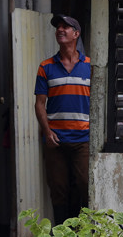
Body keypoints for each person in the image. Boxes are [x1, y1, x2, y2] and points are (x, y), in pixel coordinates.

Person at [34, 14, 90, 224]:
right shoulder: (46, 66)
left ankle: (83, 235)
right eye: (58, 26)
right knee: (58, 188)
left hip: (83, 139)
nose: (60, 29)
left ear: (76, 34)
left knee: (84, 185)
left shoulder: (90, 66)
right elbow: (40, 104)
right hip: (54, 140)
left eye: (66, 27)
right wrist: (47, 133)